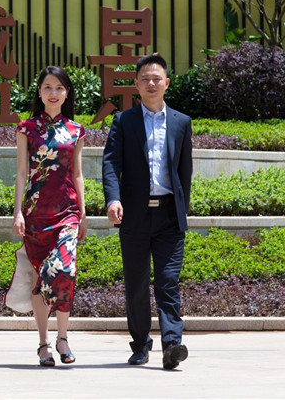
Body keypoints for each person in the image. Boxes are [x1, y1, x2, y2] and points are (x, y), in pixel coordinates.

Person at [102, 53, 192, 370]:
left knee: (167, 281)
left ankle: (172, 345)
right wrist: (113, 199)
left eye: (156, 79)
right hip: (135, 215)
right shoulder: (123, 121)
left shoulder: (181, 122)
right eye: (145, 79)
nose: (151, 83)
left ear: (166, 83)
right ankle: (140, 344)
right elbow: (111, 164)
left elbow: (185, 171)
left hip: (169, 216)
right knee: (137, 284)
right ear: (137, 84)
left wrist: (182, 210)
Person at [5, 65, 87, 367]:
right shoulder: (26, 128)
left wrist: (83, 214)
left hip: (67, 212)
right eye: (48, 87)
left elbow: (77, 174)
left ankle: (63, 337)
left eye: (59, 88)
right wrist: (17, 212)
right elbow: (21, 172)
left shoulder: (76, 130)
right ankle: (44, 343)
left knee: (64, 270)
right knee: (41, 277)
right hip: (35, 214)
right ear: (39, 92)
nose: (53, 93)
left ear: (67, 93)